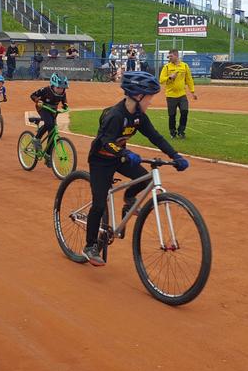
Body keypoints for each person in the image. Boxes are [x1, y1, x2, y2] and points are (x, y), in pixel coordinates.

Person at [81, 71, 189, 266]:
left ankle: (128, 199)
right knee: (98, 204)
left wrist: (175, 155)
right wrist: (124, 153)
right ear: (138, 96)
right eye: (149, 98)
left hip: (119, 157)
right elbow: (105, 142)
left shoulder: (139, 116)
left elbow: (155, 137)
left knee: (146, 178)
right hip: (101, 161)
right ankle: (90, 246)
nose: (150, 102)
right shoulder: (116, 115)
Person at [29, 73, 69, 163]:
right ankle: (36, 139)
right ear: (52, 85)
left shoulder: (63, 93)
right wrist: (37, 100)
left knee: (52, 132)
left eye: (63, 88)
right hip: (43, 108)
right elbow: (32, 95)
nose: (61, 90)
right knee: (49, 124)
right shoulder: (45, 90)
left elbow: (64, 99)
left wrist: (65, 104)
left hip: (53, 110)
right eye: (58, 87)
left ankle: (48, 154)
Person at [159, 49, 197, 139]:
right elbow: (161, 80)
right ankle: (172, 132)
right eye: (169, 56)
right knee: (172, 115)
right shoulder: (167, 67)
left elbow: (189, 79)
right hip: (170, 95)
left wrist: (192, 92)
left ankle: (181, 131)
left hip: (182, 95)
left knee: (185, 112)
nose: (169, 58)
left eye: (171, 56)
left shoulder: (184, 66)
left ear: (176, 56)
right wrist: (170, 77)